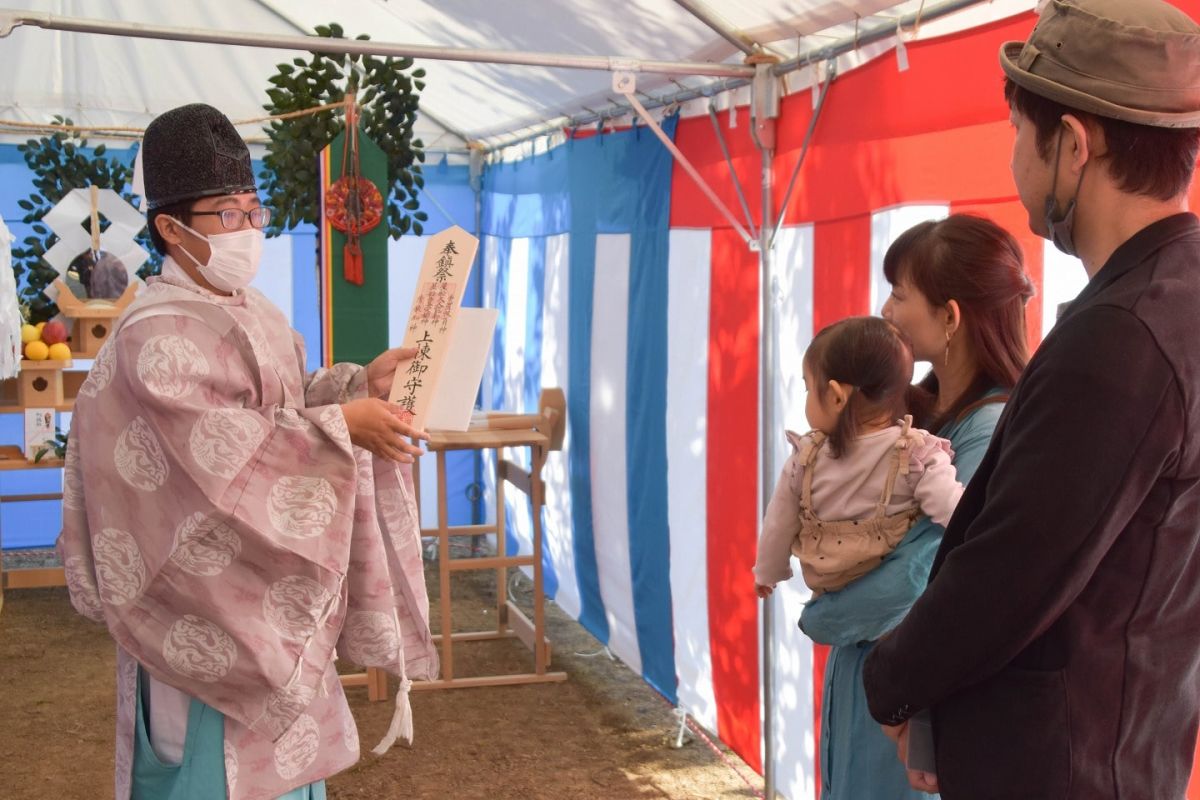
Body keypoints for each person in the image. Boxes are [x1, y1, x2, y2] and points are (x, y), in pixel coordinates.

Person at [862, 1, 1200, 797]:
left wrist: (893, 678)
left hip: (1062, 765)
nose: (1014, 158)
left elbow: (1014, 568)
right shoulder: (1169, 298)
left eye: (1019, 132)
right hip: (1125, 735)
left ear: (1073, 146)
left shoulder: (1123, 335)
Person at [56, 103, 439, 800]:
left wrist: (354, 385)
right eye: (226, 215)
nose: (248, 229)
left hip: (261, 605)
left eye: (252, 209)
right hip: (199, 609)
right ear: (172, 229)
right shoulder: (152, 336)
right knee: (207, 776)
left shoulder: (251, 309)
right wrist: (341, 428)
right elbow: (216, 461)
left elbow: (278, 412)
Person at [796, 214, 1034, 800]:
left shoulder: (990, 427)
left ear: (950, 317)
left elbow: (925, 574)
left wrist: (820, 617)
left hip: (914, 704)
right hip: (868, 680)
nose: (885, 309)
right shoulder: (910, 416)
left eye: (901, 295)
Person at [753, 316, 963, 601]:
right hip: (894, 598)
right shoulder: (915, 454)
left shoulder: (804, 460)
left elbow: (779, 523)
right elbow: (952, 507)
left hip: (830, 587)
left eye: (807, 388)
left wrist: (768, 572)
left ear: (837, 398)